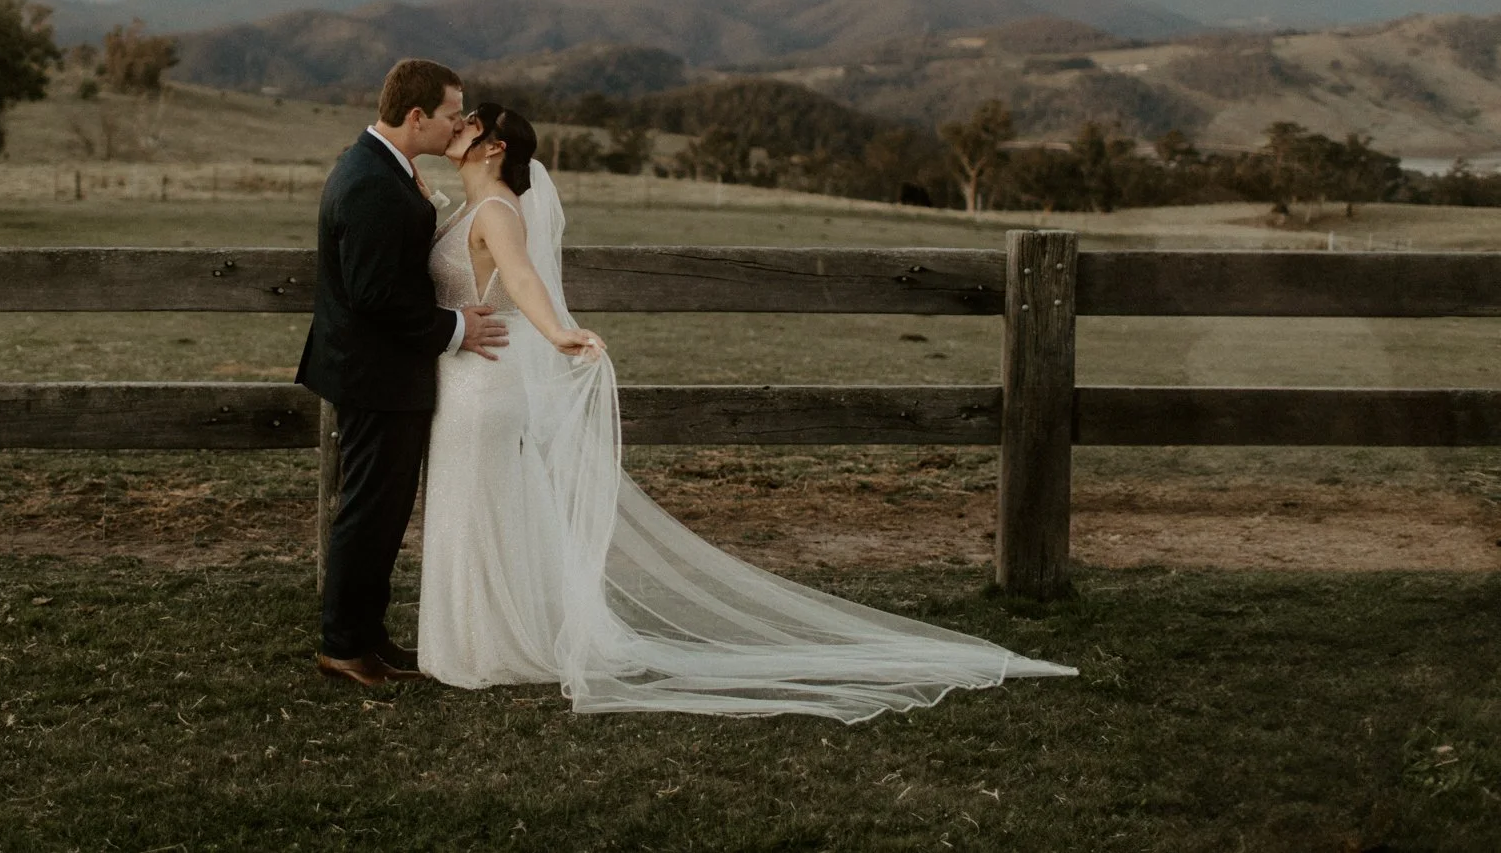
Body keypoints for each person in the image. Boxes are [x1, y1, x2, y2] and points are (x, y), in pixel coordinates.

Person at [415, 102, 1078, 720]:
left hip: (486, 388)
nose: (459, 126)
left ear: (493, 145)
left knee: (480, 510)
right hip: (463, 380)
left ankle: (487, 648)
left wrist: (561, 332)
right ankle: (475, 640)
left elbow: (523, 279)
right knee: (471, 507)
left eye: (470, 121)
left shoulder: (499, 211)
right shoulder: (468, 207)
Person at [295, 59, 511, 686]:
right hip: (375, 375)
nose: (456, 126)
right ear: (416, 116)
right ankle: (343, 645)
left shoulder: (383, 165)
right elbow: (374, 295)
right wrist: (457, 329)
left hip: (382, 372)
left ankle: (368, 637)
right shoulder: (369, 181)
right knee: (369, 512)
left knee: (381, 512)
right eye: (450, 115)